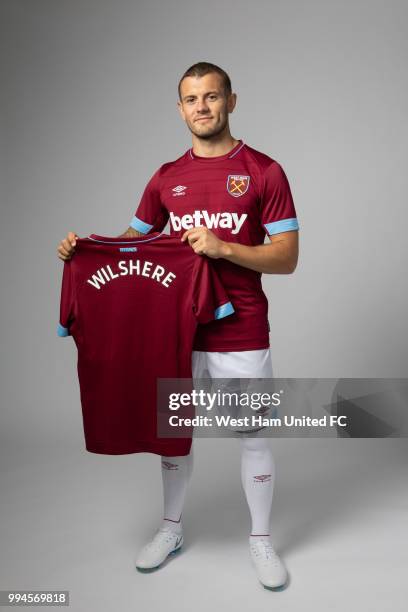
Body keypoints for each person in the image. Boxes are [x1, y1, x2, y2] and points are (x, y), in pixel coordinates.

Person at [57, 62, 299, 590]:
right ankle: (171, 528)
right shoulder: (167, 177)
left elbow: (287, 258)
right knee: (172, 435)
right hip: (176, 332)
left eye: (212, 97)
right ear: (180, 108)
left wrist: (223, 247)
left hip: (242, 327)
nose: (202, 107)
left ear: (232, 101)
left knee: (252, 433)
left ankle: (260, 538)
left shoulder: (264, 171)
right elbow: (133, 243)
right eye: (192, 99)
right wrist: (85, 253)